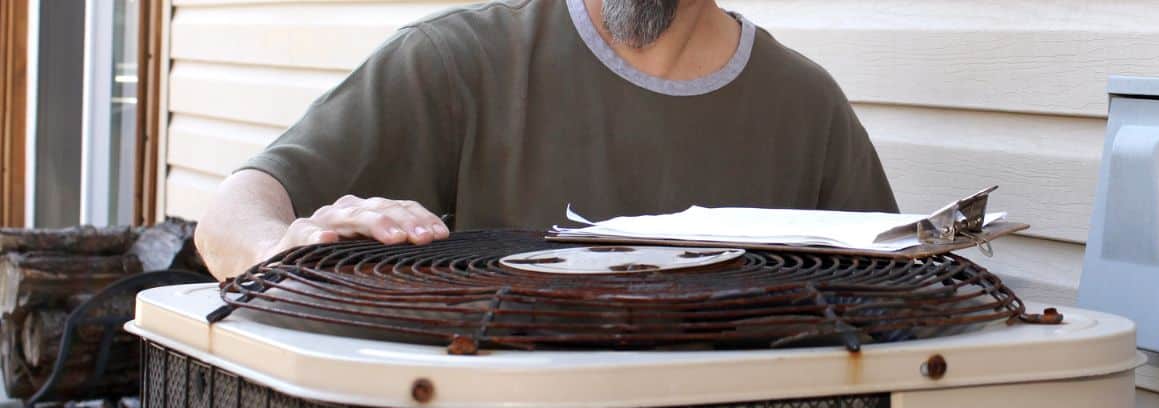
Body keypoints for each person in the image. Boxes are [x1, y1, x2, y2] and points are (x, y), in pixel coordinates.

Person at [195, 0, 898, 278]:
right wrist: (276, 248)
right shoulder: (456, 62)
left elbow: (896, 303)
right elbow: (228, 220)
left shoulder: (807, 109)